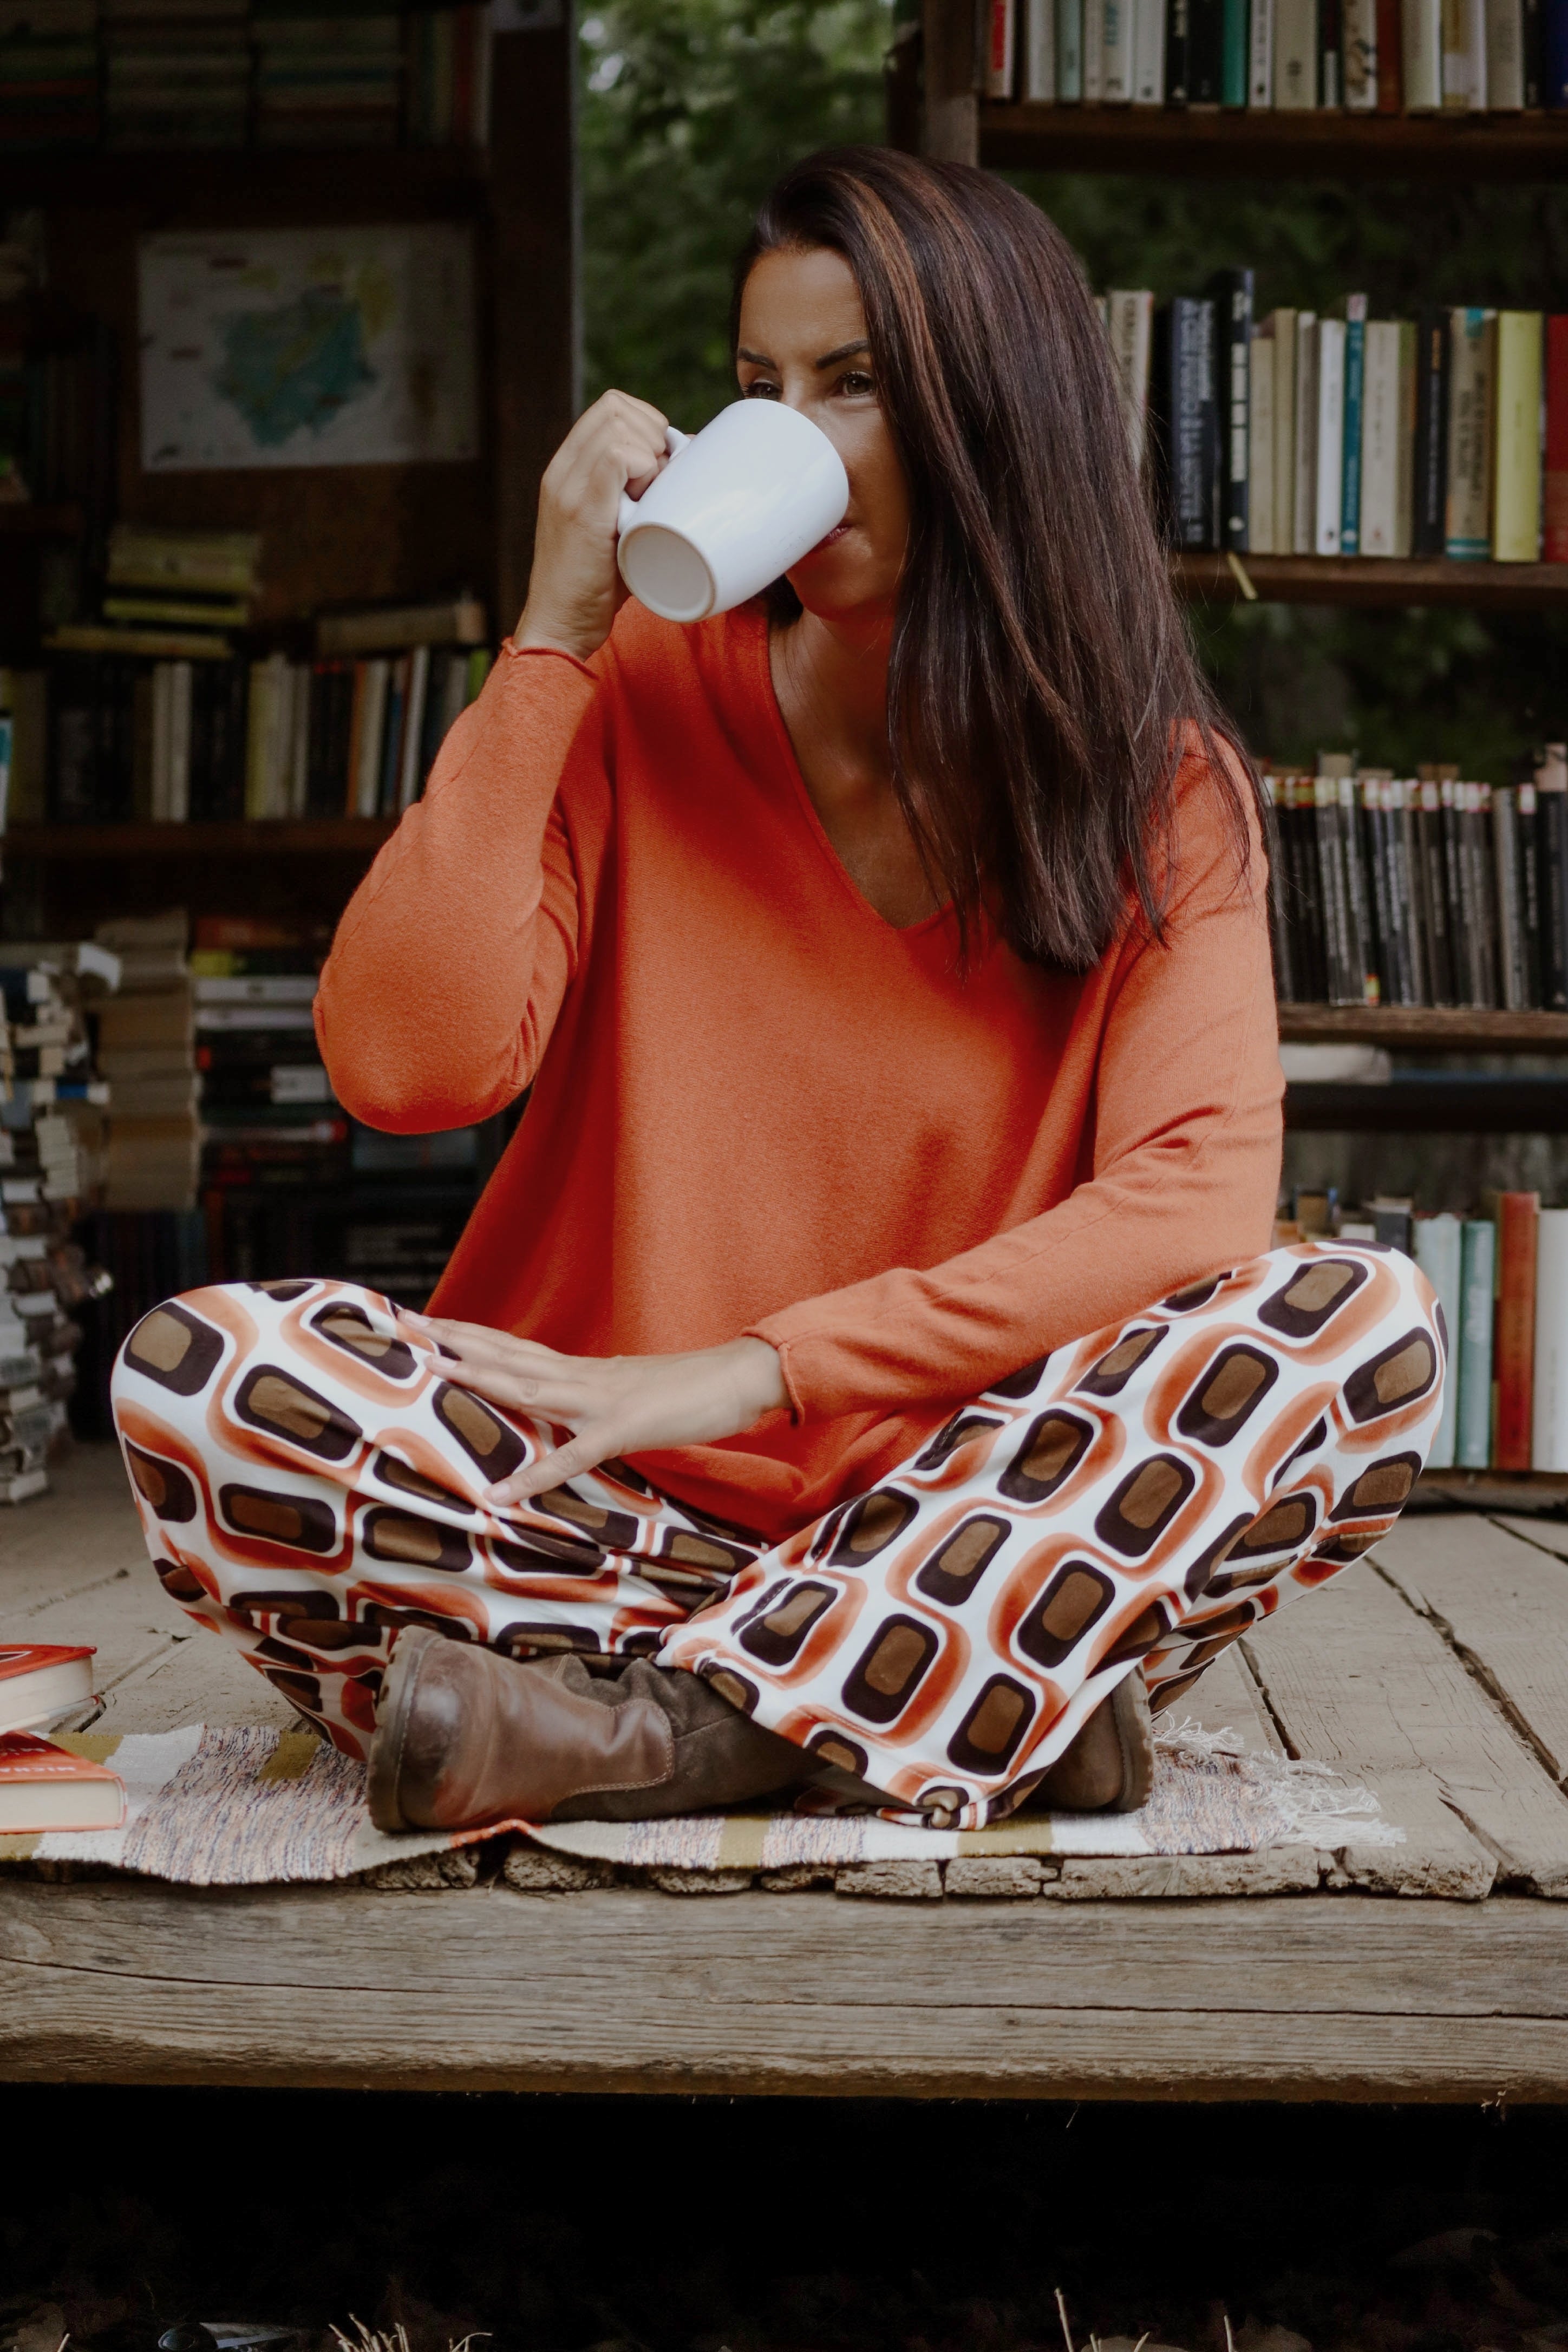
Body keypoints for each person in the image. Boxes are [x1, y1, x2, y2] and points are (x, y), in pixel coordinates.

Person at [111, 147, 1443, 1837]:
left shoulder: (1160, 792)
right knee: (197, 1378)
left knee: (1361, 1331)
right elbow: (403, 1064)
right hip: (608, 1507)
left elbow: (1190, 1204)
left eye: (854, 385)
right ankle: (958, 1714)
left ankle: (667, 1728)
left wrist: (758, 1368)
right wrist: (547, 636)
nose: (788, 436)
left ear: (993, 416)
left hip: (985, 1518)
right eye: (757, 389)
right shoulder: (646, 688)